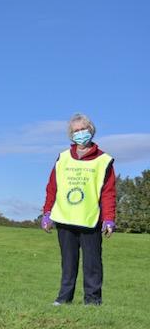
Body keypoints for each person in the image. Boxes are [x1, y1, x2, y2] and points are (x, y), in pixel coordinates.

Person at [41, 113, 116, 306]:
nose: (80, 133)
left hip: (90, 219)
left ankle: (92, 301)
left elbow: (108, 192)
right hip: (64, 218)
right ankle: (64, 298)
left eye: (83, 129)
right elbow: (52, 187)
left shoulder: (104, 160)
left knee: (92, 263)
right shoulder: (63, 157)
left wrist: (109, 218)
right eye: (76, 131)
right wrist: (47, 213)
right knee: (68, 262)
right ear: (70, 135)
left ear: (91, 130)